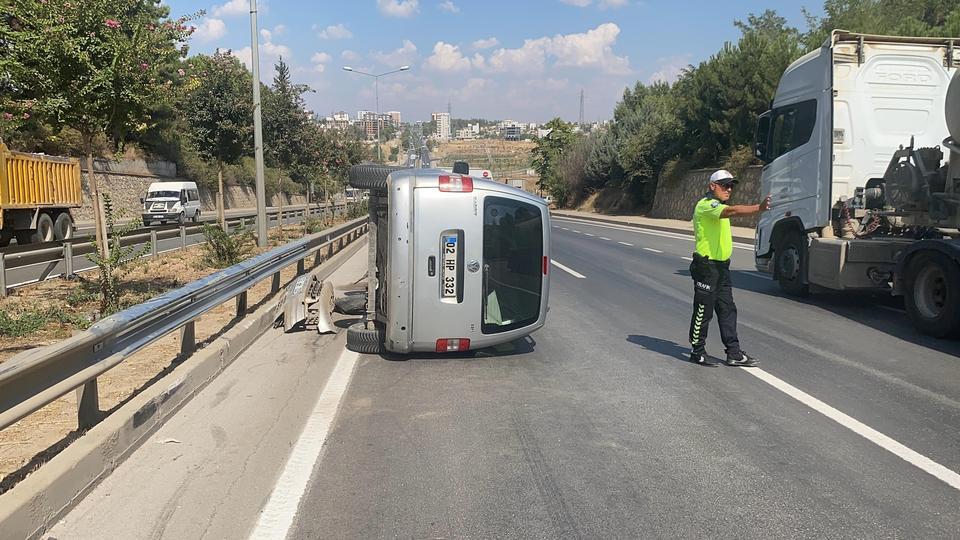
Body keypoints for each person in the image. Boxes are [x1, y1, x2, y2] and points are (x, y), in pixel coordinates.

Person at [688, 170, 771, 367]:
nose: (729, 189)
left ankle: (733, 352)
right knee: (703, 310)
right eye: (724, 185)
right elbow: (731, 211)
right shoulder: (706, 206)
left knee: (727, 309)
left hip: (722, 267)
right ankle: (697, 351)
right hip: (707, 267)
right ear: (712, 186)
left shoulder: (719, 206)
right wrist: (758, 208)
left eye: (731, 185)